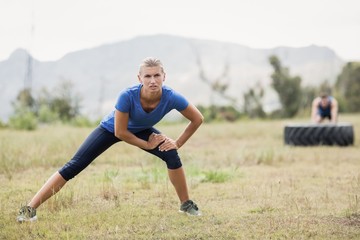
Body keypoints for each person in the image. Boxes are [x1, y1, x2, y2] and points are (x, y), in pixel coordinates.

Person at [17, 57, 204, 222]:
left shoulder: (172, 97)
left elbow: (197, 119)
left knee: (171, 154)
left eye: (157, 75)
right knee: (75, 165)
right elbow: (120, 132)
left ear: (164, 76)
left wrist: (177, 143)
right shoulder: (127, 96)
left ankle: (185, 204)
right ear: (139, 79)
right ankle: (29, 209)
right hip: (110, 129)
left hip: (141, 129)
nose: (153, 80)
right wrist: (147, 144)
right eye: (147, 76)